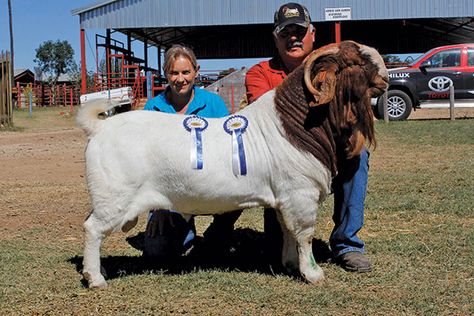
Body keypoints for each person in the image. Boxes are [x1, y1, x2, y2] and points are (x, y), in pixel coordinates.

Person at [244, 2, 372, 272]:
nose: (293, 38)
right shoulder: (259, 73)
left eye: (299, 32)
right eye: (285, 32)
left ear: (312, 34)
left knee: (358, 155)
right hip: (277, 163)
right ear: (275, 38)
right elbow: (270, 125)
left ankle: (346, 243)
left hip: (325, 154)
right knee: (275, 251)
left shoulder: (335, 69)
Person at [127, 44, 234, 259]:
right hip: (169, 194)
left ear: (196, 71)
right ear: (166, 73)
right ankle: (185, 230)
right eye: (174, 73)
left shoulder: (214, 103)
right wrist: (157, 206)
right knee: (158, 254)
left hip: (210, 184)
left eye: (186, 72)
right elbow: (146, 163)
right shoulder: (153, 108)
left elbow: (227, 148)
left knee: (239, 188)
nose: (180, 79)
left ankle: (219, 232)